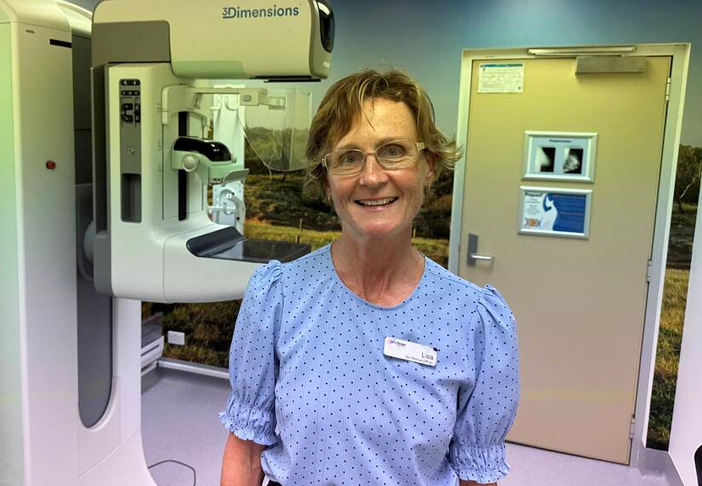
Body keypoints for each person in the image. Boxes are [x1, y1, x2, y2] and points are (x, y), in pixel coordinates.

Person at [219, 69, 520, 486]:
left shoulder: (475, 321)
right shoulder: (278, 297)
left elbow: (475, 475)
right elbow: (246, 450)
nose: (372, 176)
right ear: (326, 181)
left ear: (429, 166)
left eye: (393, 151)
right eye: (349, 157)